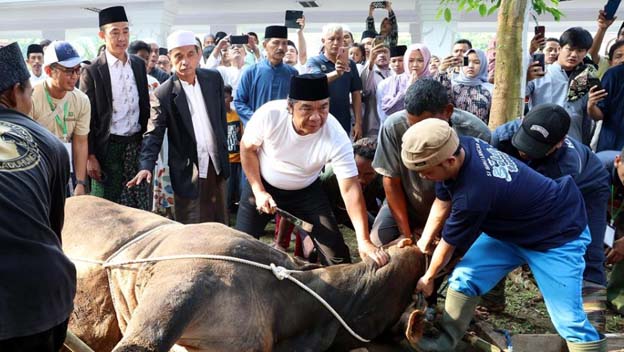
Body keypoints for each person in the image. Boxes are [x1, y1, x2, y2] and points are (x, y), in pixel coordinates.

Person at [409, 119, 606, 352]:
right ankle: (444, 342)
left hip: (557, 236)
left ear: (449, 161)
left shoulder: (474, 192)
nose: (422, 177)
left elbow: (449, 243)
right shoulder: (462, 147)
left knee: (568, 320)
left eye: (426, 171)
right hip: (511, 231)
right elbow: (442, 202)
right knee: (464, 279)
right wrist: (422, 244)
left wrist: (428, 277)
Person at [235, 74, 388, 267]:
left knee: (337, 256)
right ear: (290, 107)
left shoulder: (336, 134)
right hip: (263, 185)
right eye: (306, 108)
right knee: (240, 249)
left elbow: (350, 188)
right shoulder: (269, 115)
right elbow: (247, 149)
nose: (316, 117)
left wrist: (364, 240)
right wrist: (258, 191)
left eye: (323, 107)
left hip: (306, 192)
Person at [491, 104, 611, 331]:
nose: (525, 151)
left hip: (587, 189)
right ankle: (492, 297)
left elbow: (538, 214)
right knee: (496, 232)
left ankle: (593, 323)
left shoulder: (566, 165)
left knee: (591, 251)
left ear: (559, 143)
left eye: (535, 148)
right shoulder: (502, 137)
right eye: (524, 141)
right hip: (529, 187)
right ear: (522, 120)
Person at [0, 42, 76, 352]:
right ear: (17, 90)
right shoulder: (51, 144)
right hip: (44, 294)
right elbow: (52, 230)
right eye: (30, 94)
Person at [371, 79, 490, 248]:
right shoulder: (393, 126)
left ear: (448, 111)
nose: (421, 133)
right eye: (413, 126)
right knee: (379, 243)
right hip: (408, 205)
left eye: (426, 125)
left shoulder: (477, 133)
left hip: (455, 210)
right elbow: (391, 180)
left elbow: (473, 194)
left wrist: (439, 230)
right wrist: (405, 234)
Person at [128, 30, 229, 225]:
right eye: (179, 56)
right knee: (192, 228)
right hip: (188, 170)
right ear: (171, 60)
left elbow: (221, 120)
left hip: (216, 165)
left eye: (190, 54)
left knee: (220, 225)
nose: (185, 61)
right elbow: (154, 132)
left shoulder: (213, 79)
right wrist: (146, 165)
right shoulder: (163, 93)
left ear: (199, 54)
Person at [80, 6, 151, 210]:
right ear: (102, 35)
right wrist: (90, 155)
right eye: (115, 32)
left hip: (135, 146)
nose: (122, 38)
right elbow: (88, 118)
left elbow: (144, 106)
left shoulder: (138, 64)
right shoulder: (92, 71)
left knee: (139, 209)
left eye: (125, 31)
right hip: (107, 149)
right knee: (106, 209)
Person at [526, 27, 604, 146]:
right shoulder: (539, 74)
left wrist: (591, 105)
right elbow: (517, 96)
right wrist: (527, 78)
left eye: (580, 51)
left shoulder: (588, 78)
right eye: (570, 49)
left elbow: (596, 115)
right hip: (540, 140)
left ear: (586, 52)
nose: (574, 55)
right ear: (560, 48)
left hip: (574, 142)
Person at [31, 41, 90, 196]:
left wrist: (80, 182)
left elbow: (81, 141)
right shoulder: (30, 97)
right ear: (49, 70)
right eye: (69, 71)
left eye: (78, 70)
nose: (75, 76)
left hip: (65, 167)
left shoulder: (81, 100)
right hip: (37, 168)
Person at [306, 24, 363, 139]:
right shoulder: (314, 61)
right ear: (323, 41)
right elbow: (316, 82)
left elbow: (356, 93)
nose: (336, 43)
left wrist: (358, 123)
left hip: (343, 122)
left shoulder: (350, 64)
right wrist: (337, 73)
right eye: (331, 39)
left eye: (339, 39)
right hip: (319, 121)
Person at [234, 25, 298, 126]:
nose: (281, 47)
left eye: (284, 43)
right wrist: (256, 119)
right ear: (265, 45)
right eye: (276, 43)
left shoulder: (293, 73)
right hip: (257, 128)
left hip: (284, 128)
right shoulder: (251, 72)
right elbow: (239, 102)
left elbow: (297, 103)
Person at [378, 43, 433, 116]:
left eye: (420, 60)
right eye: (411, 60)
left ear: (427, 61)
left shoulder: (433, 82)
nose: (415, 64)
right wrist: (408, 89)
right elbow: (387, 110)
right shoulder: (394, 82)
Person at [592, 41, 624, 152]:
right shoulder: (612, 75)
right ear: (610, 62)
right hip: (612, 145)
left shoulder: (612, 74)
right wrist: (591, 105)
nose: (623, 60)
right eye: (618, 56)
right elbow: (599, 114)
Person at [449, 48, 493, 124]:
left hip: (480, 134)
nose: (470, 66)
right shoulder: (452, 86)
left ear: (483, 64)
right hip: (454, 134)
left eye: (476, 62)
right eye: (467, 62)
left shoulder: (490, 89)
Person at [360, 44, 391, 137]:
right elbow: (365, 88)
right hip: (373, 126)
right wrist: (370, 61)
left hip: (391, 125)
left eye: (385, 52)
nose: (382, 55)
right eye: (378, 53)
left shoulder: (394, 73)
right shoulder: (370, 72)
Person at [376, 45, 406, 126]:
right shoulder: (383, 84)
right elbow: (381, 110)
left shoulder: (411, 80)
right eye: (393, 61)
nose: (397, 64)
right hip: (389, 124)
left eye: (400, 60)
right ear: (389, 62)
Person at [225, 84, 242, 213]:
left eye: (225, 97)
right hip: (227, 159)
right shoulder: (217, 116)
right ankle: (227, 208)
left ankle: (236, 206)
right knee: (228, 188)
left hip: (239, 159)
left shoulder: (237, 116)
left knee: (239, 186)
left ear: (231, 98)